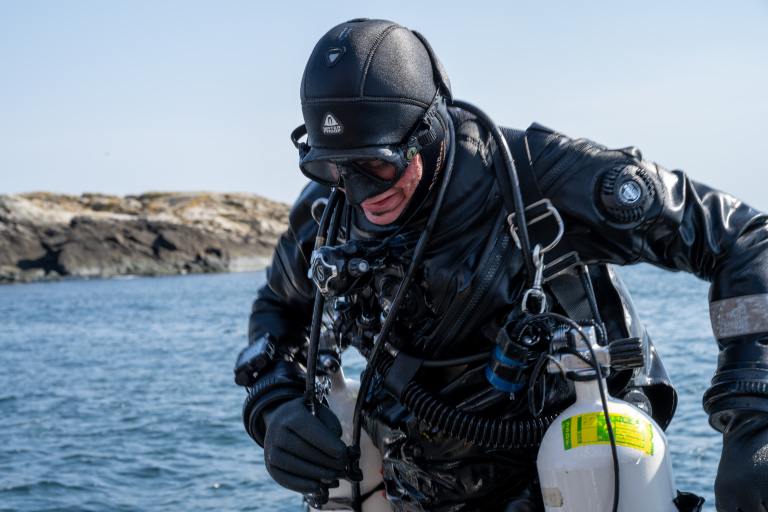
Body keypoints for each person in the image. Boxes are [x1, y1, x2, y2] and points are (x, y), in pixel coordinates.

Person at [234, 18, 768, 512]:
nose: (359, 192)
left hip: (573, 457)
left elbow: (742, 239)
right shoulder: (328, 212)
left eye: (377, 164)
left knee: (595, 453)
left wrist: (753, 421)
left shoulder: (540, 178)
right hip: (418, 476)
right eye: (333, 167)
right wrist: (274, 402)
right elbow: (279, 309)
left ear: (426, 129)